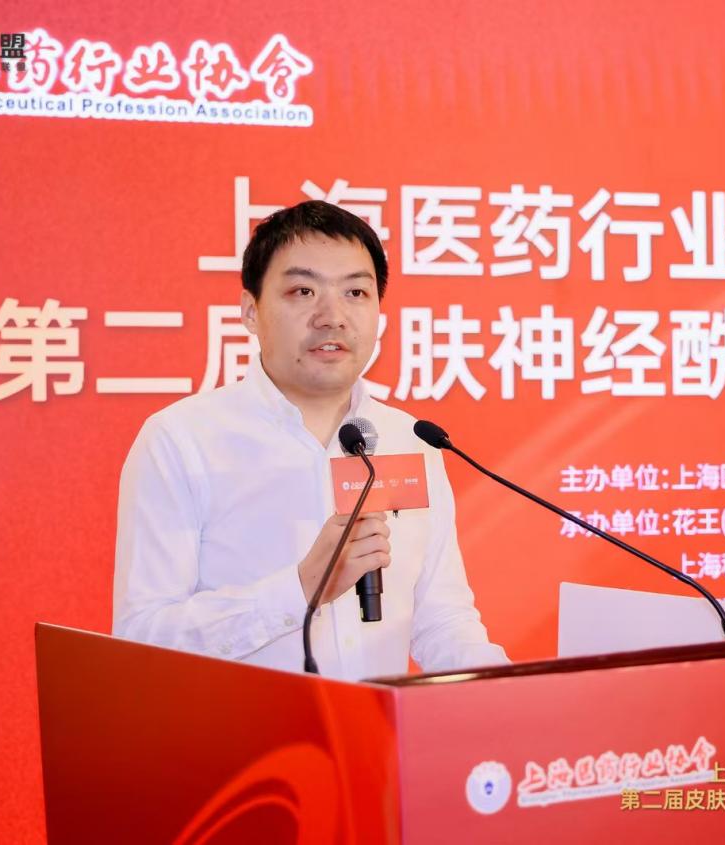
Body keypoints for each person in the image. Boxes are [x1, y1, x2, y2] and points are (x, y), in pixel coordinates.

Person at [112, 200, 507, 680]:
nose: (332, 317)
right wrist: (300, 588)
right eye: (303, 291)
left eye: (356, 292)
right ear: (251, 311)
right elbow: (142, 637)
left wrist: (510, 693)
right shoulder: (181, 440)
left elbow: (443, 621)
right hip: (243, 729)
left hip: (374, 727)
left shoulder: (412, 440)